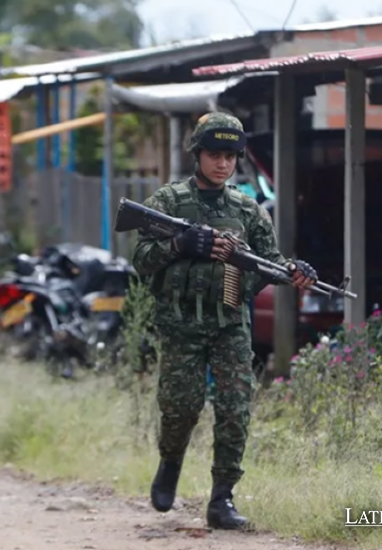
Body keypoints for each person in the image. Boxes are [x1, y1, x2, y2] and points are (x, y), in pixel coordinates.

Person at [132, 112, 317, 530]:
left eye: (231, 156)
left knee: (235, 408)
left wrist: (295, 271)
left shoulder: (247, 209)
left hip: (230, 323)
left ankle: (222, 499)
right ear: (197, 154)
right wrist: (180, 243)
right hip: (181, 323)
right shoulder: (168, 202)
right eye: (215, 155)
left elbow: (271, 262)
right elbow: (141, 260)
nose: (223, 164)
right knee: (181, 406)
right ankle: (170, 463)